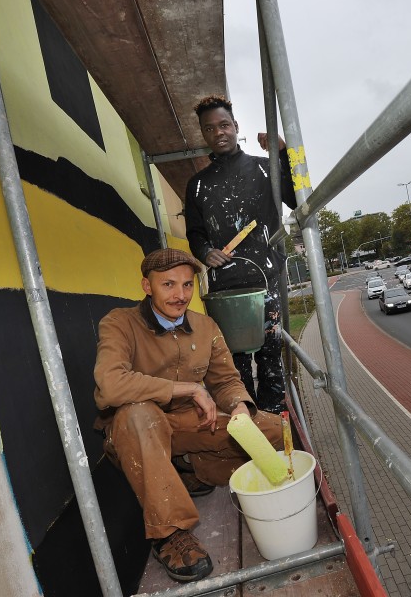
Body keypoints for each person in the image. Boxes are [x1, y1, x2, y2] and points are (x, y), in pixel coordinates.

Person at [93, 248, 283, 583]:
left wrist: (239, 406)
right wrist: (191, 390)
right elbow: (110, 385)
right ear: (146, 286)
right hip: (138, 433)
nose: (180, 295)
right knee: (139, 415)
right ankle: (170, 533)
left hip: (192, 422)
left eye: (187, 285)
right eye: (168, 285)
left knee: (274, 432)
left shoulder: (206, 325)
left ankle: (192, 470)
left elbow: (226, 380)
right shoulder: (119, 322)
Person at [185, 94, 297, 414]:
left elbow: (298, 195)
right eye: (210, 129)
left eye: (224, 125)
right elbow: (195, 233)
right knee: (234, 366)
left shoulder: (266, 170)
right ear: (204, 135)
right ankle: (248, 428)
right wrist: (205, 251)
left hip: (267, 283)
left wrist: (285, 152)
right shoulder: (197, 185)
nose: (218, 132)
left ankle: (274, 427)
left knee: (271, 358)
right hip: (224, 290)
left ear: (236, 126)